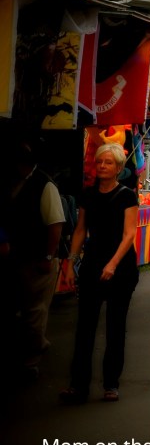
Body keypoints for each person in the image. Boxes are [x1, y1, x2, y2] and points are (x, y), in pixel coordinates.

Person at [60, 143, 139, 404]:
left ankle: (111, 384)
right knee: (85, 327)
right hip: (93, 264)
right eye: (99, 162)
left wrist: (113, 263)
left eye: (108, 163)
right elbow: (81, 229)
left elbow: (129, 234)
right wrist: (71, 263)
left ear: (118, 168)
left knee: (116, 326)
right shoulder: (88, 195)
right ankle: (78, 385)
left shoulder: (127, 196)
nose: (102, 166)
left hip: (121, 267)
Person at [1, 134, 65, 380]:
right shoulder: (11, 182)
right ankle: (34, 345)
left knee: (35, 311)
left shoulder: (44, 185)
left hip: (38, 257)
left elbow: (55, 225)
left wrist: (48, 256)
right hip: (16, 258)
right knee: (21, 310)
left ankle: (31, 360)